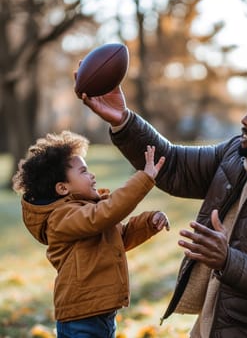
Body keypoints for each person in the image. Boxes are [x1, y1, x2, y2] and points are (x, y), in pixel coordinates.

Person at [78, 71, 247, 337]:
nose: (245, 120)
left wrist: (228, 260)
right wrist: (124, 121)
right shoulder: (237, 155)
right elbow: (173, 164)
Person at [12, 130, 170, 338]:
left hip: (100, 311)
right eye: (84, 172)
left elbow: (118, 239)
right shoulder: (61, 218)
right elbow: (105, 214)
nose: (92, 175)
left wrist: (149, 222)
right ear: (62, 188)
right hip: (81, 316)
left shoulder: (87, 212)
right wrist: (144, 179)